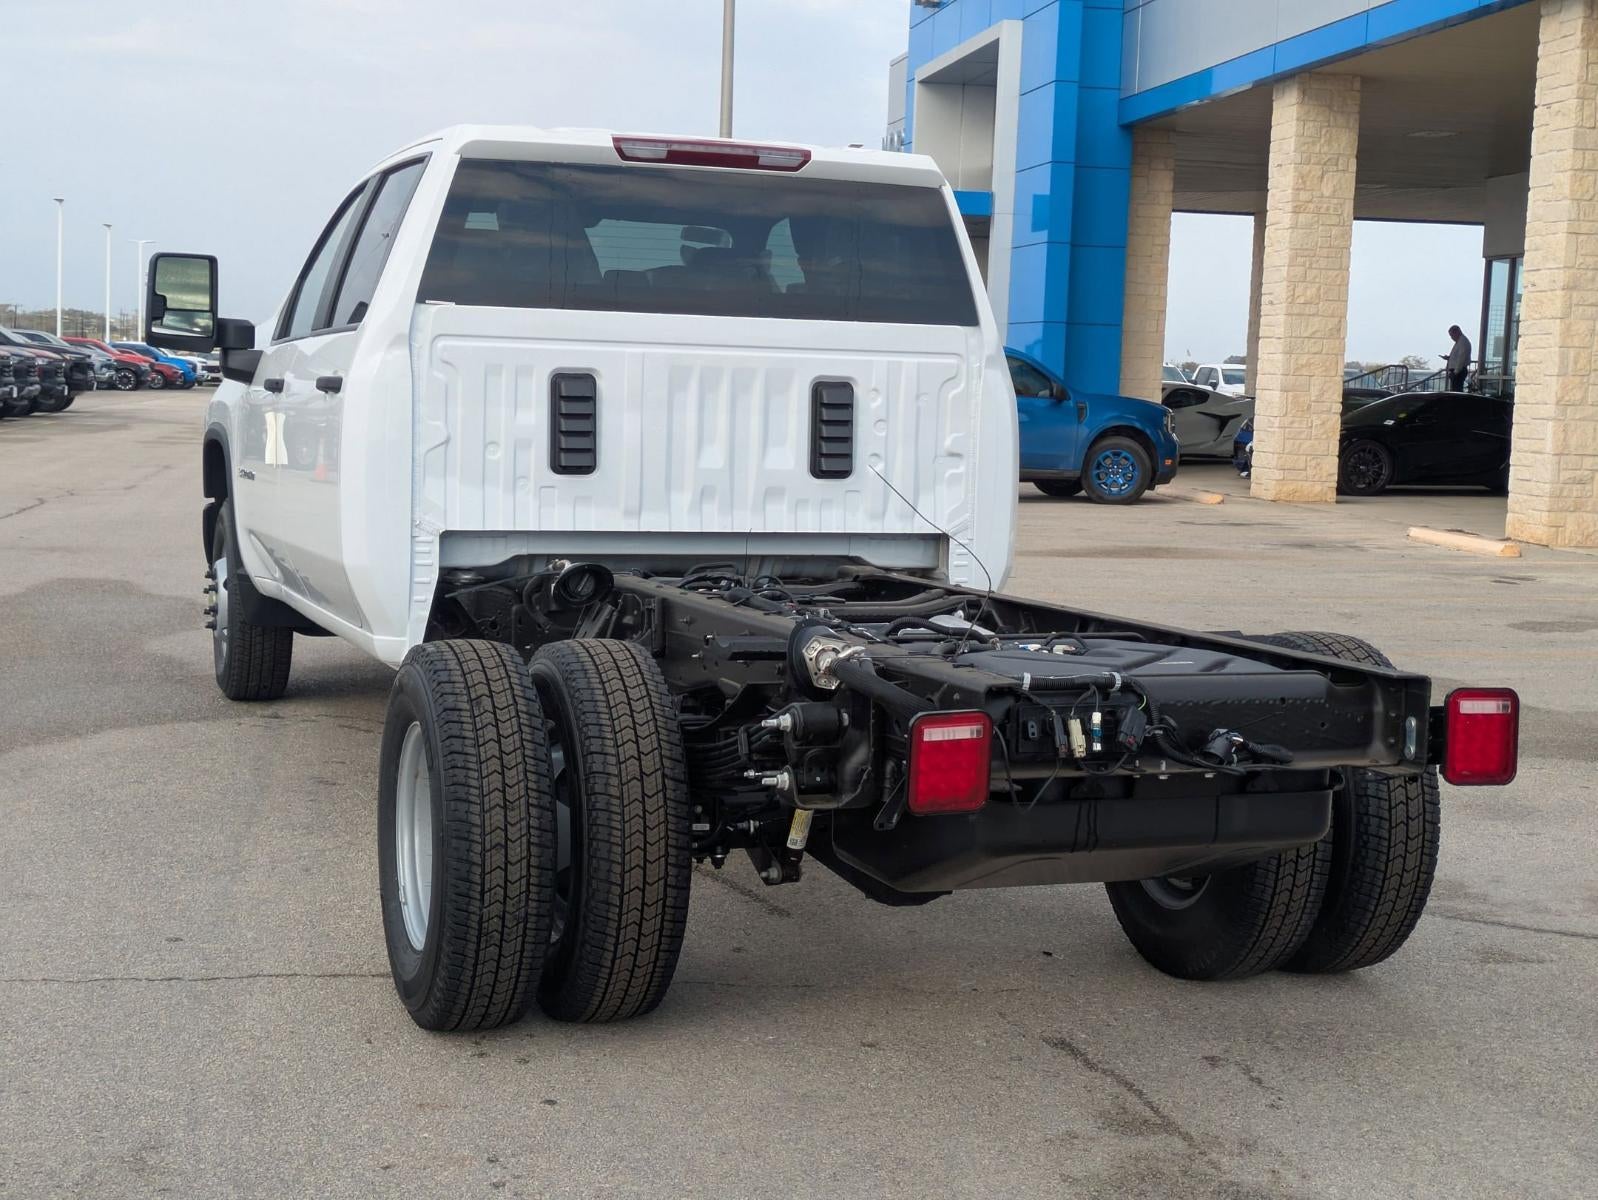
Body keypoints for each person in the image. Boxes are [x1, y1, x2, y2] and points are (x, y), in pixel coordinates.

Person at [1443, 325, 1472, 391]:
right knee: (1455, 390)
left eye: (1452, 335)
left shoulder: (1463, 342)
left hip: (1458, 371)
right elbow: (1459, 356)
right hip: (1457, 370)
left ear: (1457, 332)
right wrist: (1450, 358)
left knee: (1456, 391)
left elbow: (1462, 358)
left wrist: (1455, 372)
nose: (1451, 338)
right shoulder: (1460, 341)